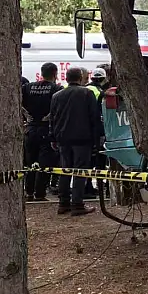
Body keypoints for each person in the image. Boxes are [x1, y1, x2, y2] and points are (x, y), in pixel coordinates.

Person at [49, 67, 102, 216]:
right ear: (80, 78)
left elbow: (52, 118)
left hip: (63, 139)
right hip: (82, 138)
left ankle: (63, 203)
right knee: (80, 171)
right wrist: (97, 139)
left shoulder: (56, 96)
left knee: (65, 170)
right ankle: (77, 204)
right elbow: (94, 118)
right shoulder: (87, 93)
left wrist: (52, 137)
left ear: (66, 79)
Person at [22, 63, 63, 201]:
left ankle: (28, 192)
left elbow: (17, 101)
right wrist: (50, 116)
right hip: (47, 129)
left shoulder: (28, 87)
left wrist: (26, 114)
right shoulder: (57, 88)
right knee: (45, 164)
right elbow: (59, 109)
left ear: (41, 73)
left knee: (29, 163)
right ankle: (40, 193)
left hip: (30, 128)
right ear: (55, 74)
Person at [83, 67, 108, 198]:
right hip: (98, 131)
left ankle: (88, 187)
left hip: (84, 130)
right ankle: (99, 185)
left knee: (87, 162)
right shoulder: (100, 92)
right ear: (103, 79)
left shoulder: (85, 89)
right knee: (99, 161)